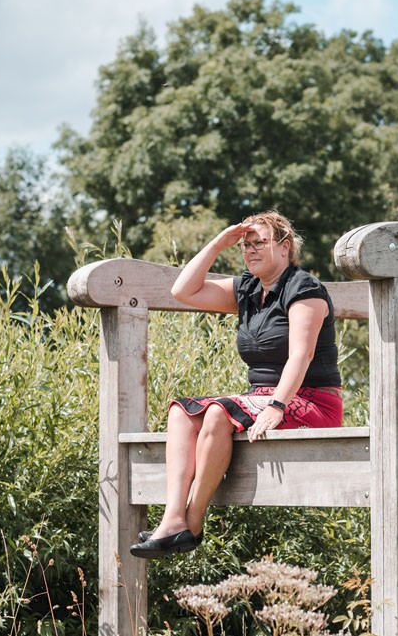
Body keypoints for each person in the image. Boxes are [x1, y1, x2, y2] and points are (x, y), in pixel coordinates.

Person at [129, 211, 343, 558]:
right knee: (182, 411)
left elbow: (301, 356)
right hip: (258, 399)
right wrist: (217, 244)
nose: (251, 250)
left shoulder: (303, 287)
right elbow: (182, 291)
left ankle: (192, 524)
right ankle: (171, 518)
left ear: (285, 246)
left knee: (217, 413)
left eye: (260, 242)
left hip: (310, 400)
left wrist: (277, 406)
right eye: (246, 245)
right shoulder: (247, 289)